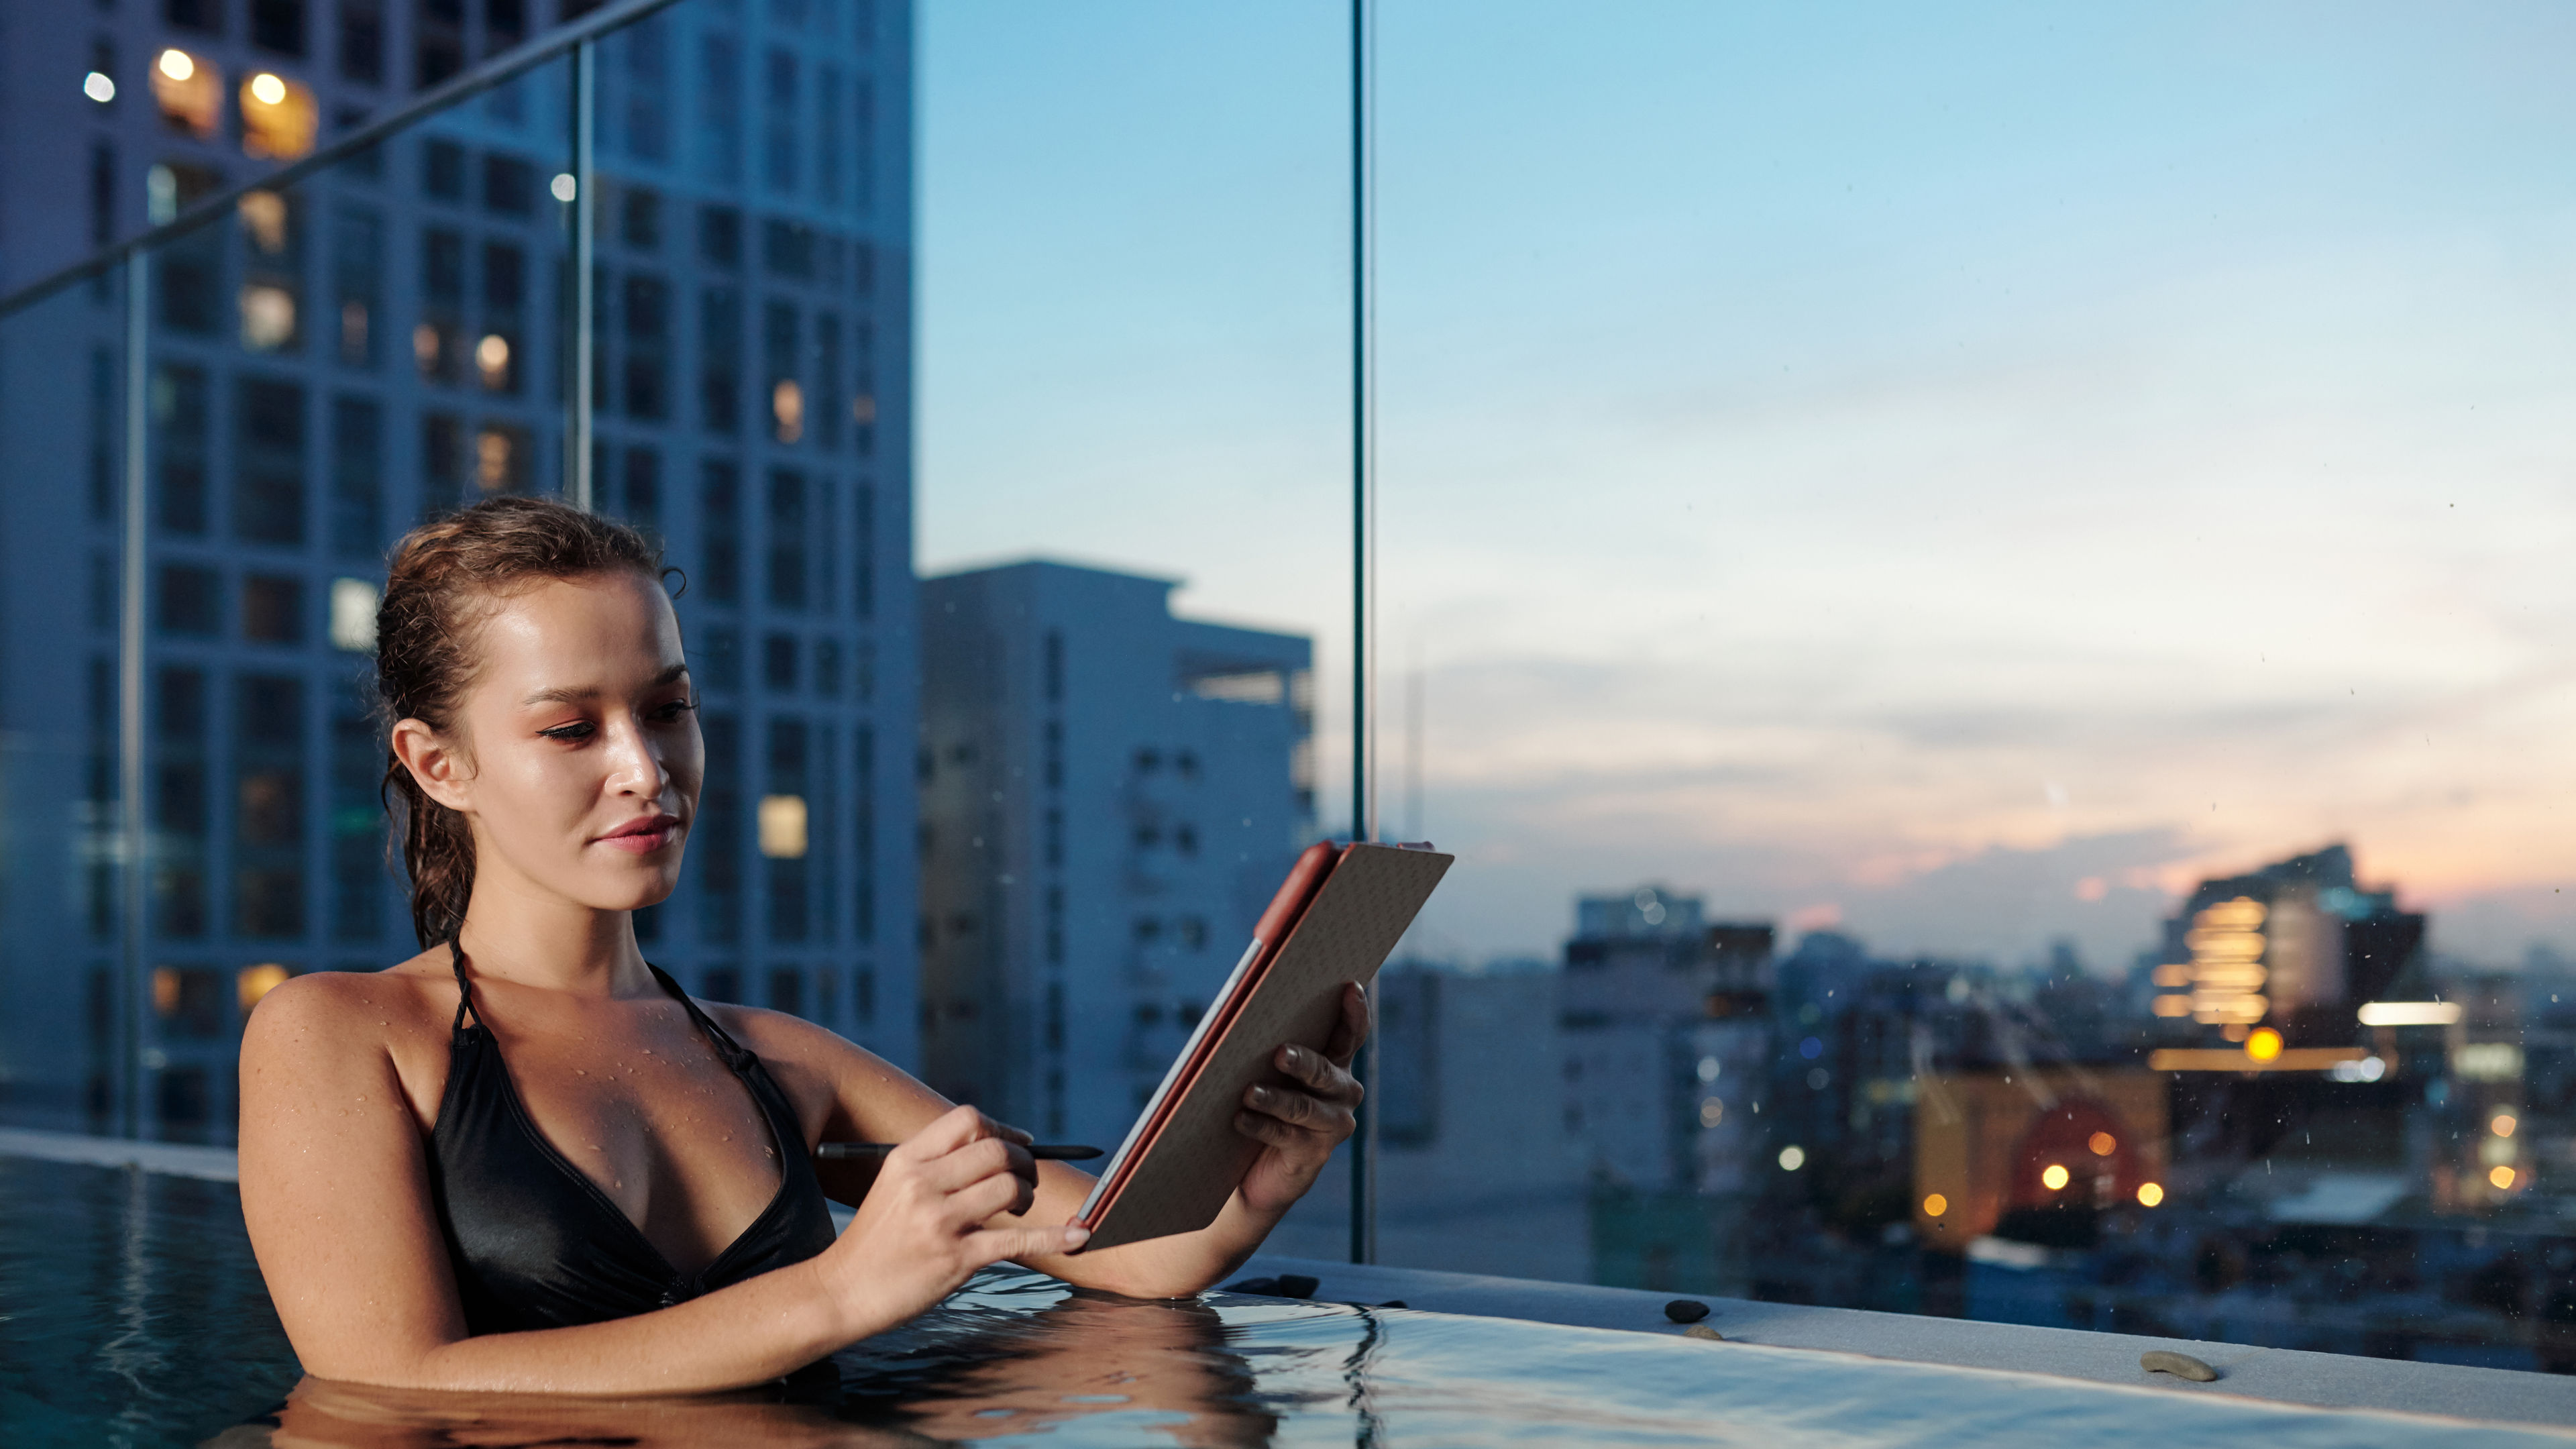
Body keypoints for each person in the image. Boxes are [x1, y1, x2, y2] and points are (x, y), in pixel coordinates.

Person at [237, 496, 1366, 1394]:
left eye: (668, 709)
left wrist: (1257, 1180)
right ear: (440, 765)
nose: (644, 767)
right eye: (571, 728)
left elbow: (1130, 1252)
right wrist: (840, 1292)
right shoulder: (341, 1035)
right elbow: (385, 1383)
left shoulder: (779, 1061)